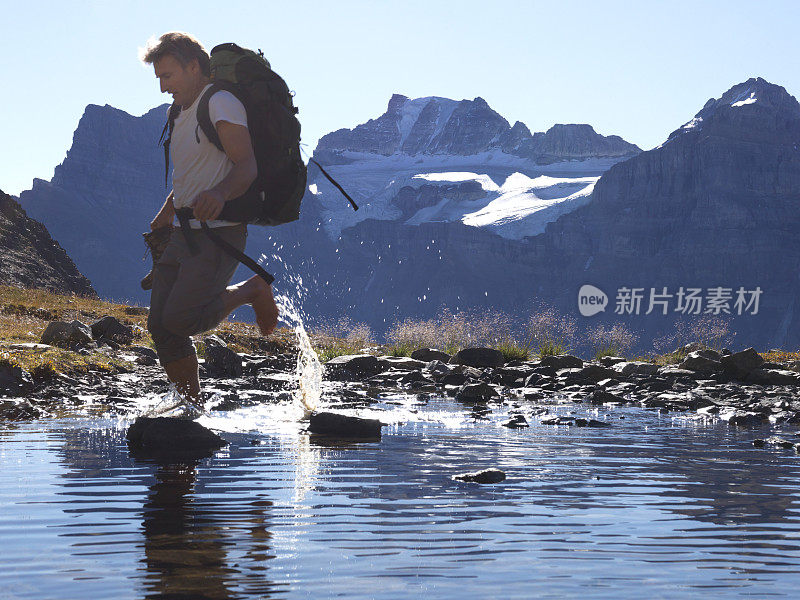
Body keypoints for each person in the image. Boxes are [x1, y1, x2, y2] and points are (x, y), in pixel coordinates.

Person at [141, 32, 279, 408]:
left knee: (181, 320)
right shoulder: (180, 111)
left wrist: (220, 194)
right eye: (159, 78)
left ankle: (251, 290)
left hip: (219, 234)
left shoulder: (220, 102)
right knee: (160, 326)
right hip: (184, 232)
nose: (163, 87)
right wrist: (168, 210)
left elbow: (246, 164)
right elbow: (193, 173)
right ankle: (192, 407)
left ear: (193, 67)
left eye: (168, 76)